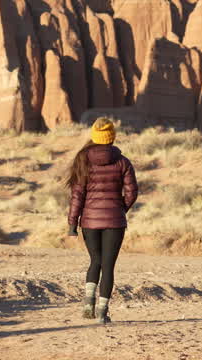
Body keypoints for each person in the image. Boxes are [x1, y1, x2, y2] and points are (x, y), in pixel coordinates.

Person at [66, 117, 138, 324]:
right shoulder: (123, 162)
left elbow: (77, 195)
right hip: (115, 222)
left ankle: (88, 302)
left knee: (95, 261)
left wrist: (72, 223)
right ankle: (102, 313)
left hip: (89, 222)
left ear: (94, 136)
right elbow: (132, 192)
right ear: (112, 137)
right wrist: (120, 209)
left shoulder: (83, 160)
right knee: (108, 266)